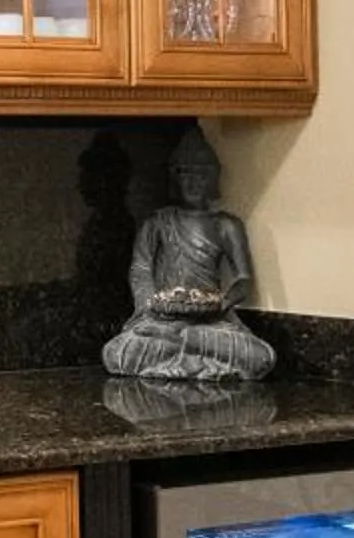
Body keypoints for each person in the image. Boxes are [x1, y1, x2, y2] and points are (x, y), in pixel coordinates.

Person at [101, 127, 276, 381]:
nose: (193, 183)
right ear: (175, 180)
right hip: (162, 322)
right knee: (117, 353)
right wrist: (154, 307)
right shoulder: (158, 222)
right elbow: (140, 271)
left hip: (211, 322)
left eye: (201, 175)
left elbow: (243, 279)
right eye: (186, 175)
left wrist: (221, 303)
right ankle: (192, 351)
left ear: (213, 179)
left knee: (260, 357)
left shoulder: (226, 225)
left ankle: (186, 345)